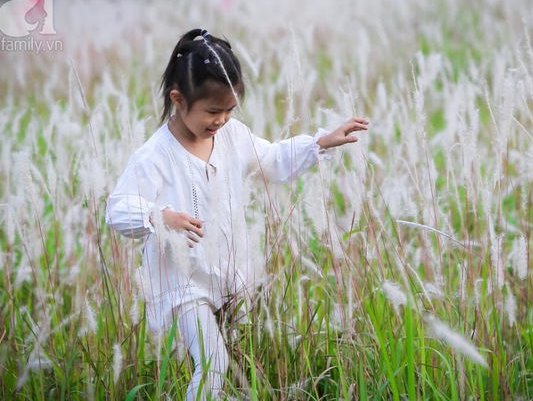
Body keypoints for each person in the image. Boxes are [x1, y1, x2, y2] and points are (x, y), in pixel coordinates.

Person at [106, 28, 369, 400]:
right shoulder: (155, 156)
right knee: (213, 363)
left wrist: (320, 142)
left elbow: (274, 160)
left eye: (229, 110)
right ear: (178, 100)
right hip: (183, 284)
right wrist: (159, 216)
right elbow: (117, 209)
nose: (222, 120)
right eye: (213, 111)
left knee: (236, 363)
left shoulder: (233, 136)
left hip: (228, 276)